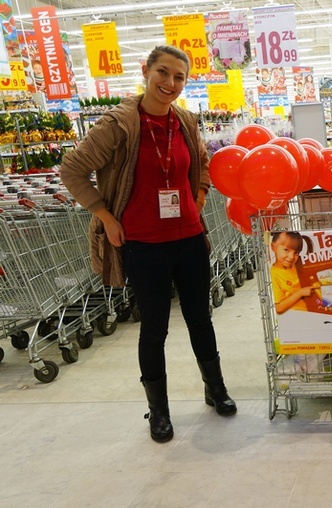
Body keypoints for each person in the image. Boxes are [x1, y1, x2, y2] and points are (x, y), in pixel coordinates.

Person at [59, 46, 237, 444]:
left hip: (190, 239)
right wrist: (105, 216)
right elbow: (72, 169)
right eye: (163, 72)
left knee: (200, 318)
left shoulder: (186, 121)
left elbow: (204, 162)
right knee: (153, 328)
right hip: (143, 244)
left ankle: (216, 389)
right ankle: (159, 411)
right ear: (146, 70)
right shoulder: (118, 124)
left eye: (179, 77)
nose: (170, 83)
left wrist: (201, 197)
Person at [270, 231, 317, 314]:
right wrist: (301, 293)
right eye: (286, 250)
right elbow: (279, 308)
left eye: (296, 253)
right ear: (273, 247)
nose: (291, 257)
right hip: (294, 316)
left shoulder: (299, 264)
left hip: (314, 310)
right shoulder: (275, 273)